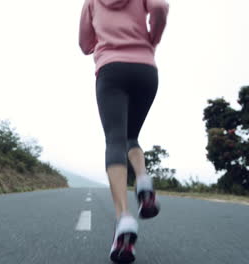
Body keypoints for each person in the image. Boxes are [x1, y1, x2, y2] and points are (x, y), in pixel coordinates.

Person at [79, 0, 169, 262]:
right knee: (132, 136)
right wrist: (152, 39)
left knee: (115, 140)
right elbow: (161, 8)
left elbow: (85, 45)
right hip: (146, 70)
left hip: (111, 69)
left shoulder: (92, 2)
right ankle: (143, 181)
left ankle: (124, 218)